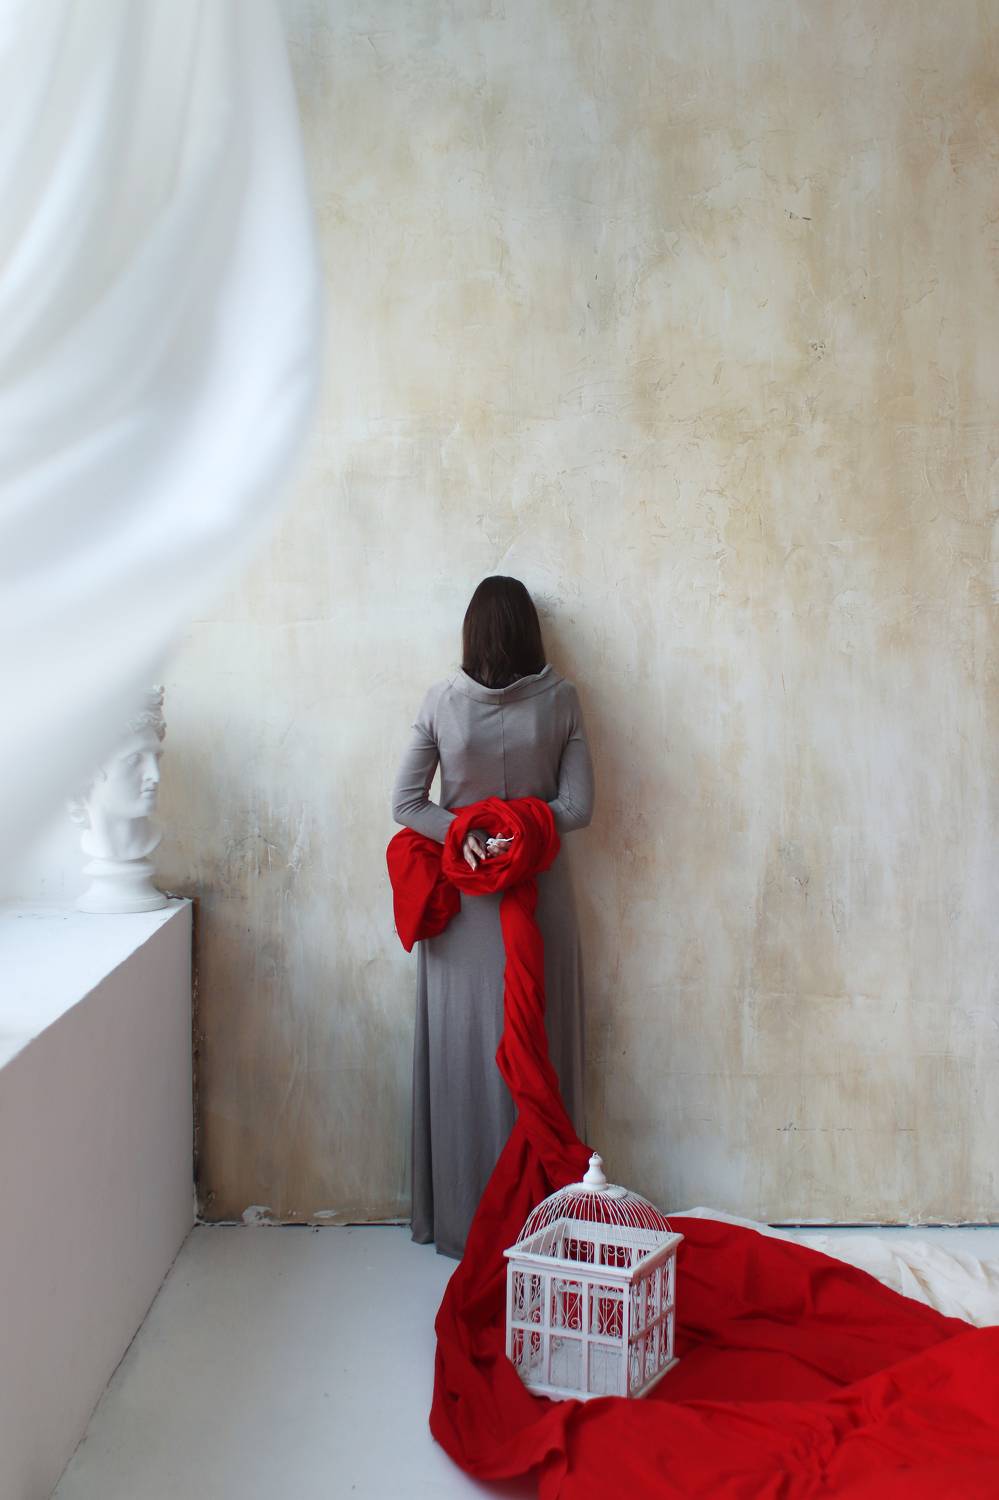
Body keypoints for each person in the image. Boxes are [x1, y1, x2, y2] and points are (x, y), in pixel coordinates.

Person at [391, 575, 595, 1258]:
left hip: (466, 903)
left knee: (465, 1052)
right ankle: (547, 1220)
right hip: (539, 895)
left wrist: (467, 831)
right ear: (533, 631)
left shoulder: (441, 702)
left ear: (470, 633)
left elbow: (406, 803)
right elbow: (577, 808)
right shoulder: (562, 700)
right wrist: (520, 831)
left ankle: (463, 1219)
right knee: (541, 1047)